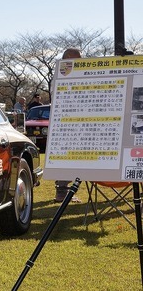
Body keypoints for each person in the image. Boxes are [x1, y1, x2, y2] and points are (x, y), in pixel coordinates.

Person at [54, 48, 83, 203]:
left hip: (77, 122)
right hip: (68, 123)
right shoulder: (65, 72)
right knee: (68, 157)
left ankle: (63, 190)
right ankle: (62, 191)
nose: (81, 60)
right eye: (79, 58)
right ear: (70, 58)